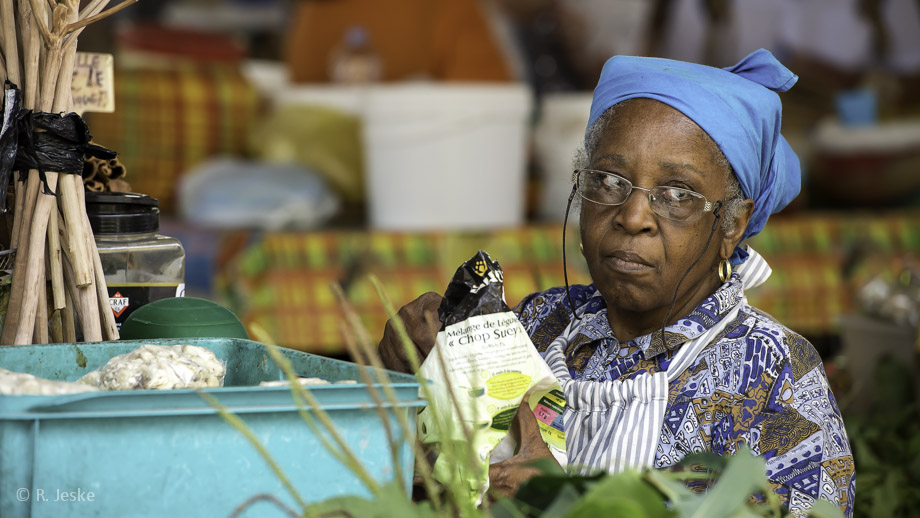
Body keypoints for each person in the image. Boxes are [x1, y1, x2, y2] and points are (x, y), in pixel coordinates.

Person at [378, 48, 855, 517]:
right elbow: (420, 476)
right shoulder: (540, 323)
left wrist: (572, 504)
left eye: (675, 194)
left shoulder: (773, 374)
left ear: (731, 223)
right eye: (608, 181)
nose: (632, 216)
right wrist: (411, 378)